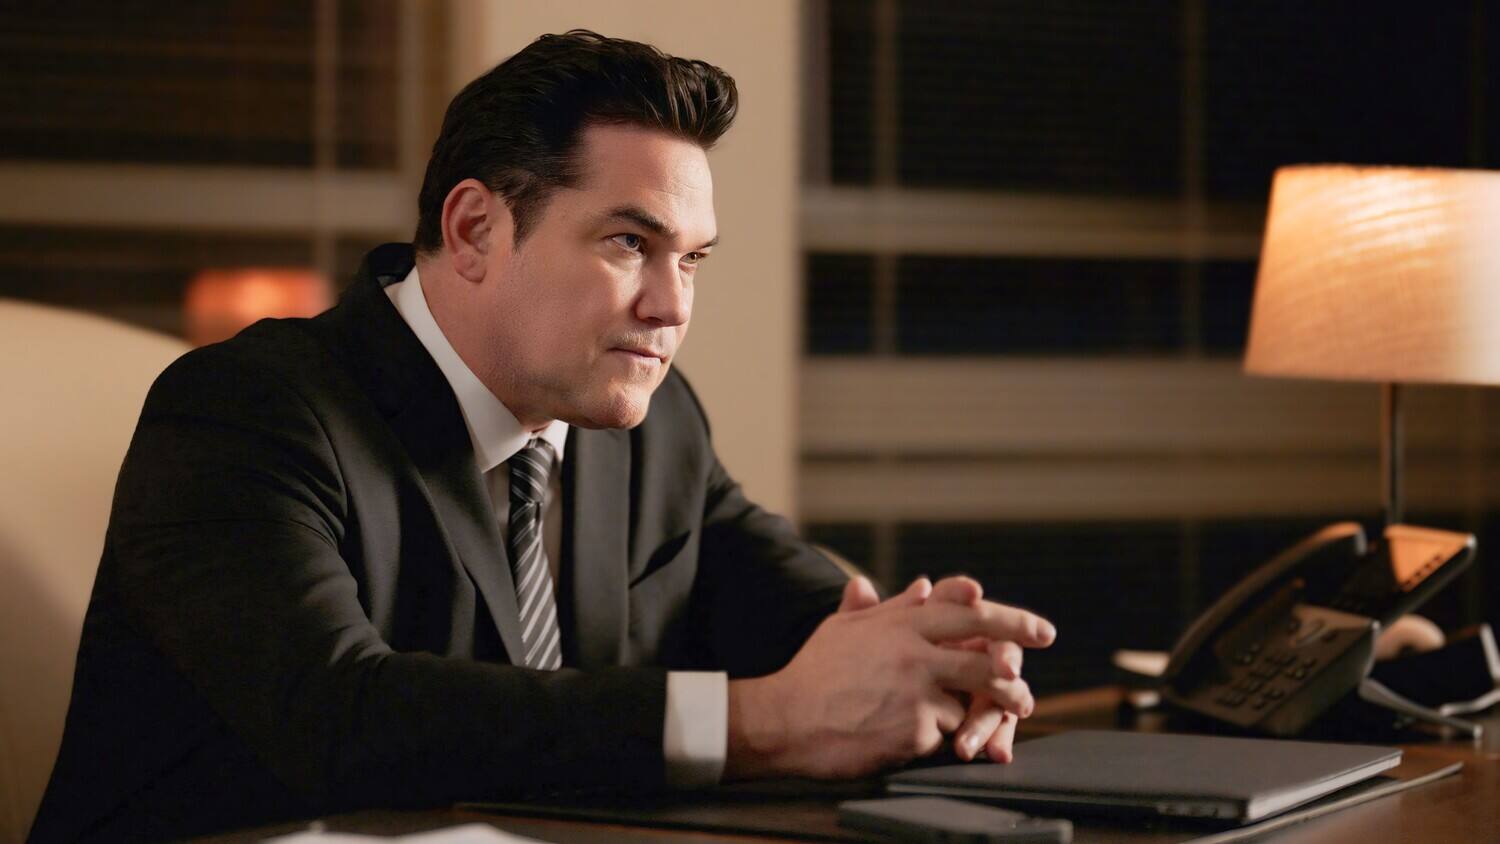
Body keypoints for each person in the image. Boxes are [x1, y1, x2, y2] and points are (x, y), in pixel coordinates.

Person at [29, 30, 1055, 842]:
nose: (670, 306)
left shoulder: (650, 419)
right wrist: (768, 721)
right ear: (476, 229)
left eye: (692, 260)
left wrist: (927, 663)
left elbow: (778, 601)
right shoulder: (244, 409)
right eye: (630, 242)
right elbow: (338, 717)